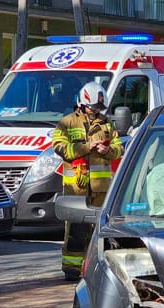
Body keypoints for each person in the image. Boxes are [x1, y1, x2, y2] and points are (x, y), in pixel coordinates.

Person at [51, 81, 122, 281]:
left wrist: (108, 150)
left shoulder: (107, 124)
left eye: (98, 108)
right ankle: (72, 268)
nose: (96, 111)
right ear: (82, 103)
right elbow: (60, 148)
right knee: (76, 230)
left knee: (100, 230)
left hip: (100, 189)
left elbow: (119, 149)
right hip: (76, 188)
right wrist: (87, 147)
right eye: (92, 107)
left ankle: (98, 268)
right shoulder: (66, 123)